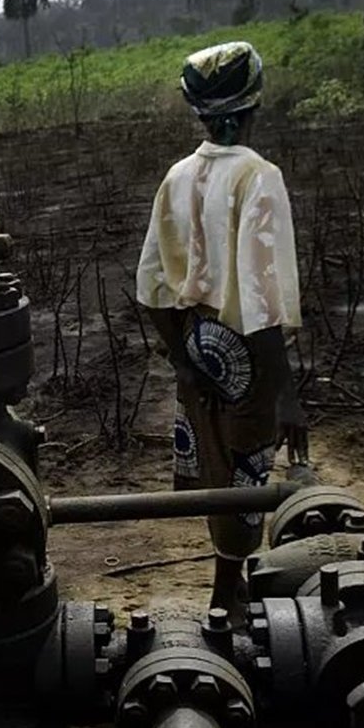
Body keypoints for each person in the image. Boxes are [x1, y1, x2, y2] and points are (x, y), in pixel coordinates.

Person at [135, 42, 307, 623]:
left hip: (198, 342)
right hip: (247, 351)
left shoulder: (178, 176)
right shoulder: (261, 177)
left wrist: (183, 361)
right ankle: (229, 597)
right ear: (251, 107)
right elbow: (264, 296)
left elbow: (152, 281)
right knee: (248, 469)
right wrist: (285, 392)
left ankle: (225, 586)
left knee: (217, 463)